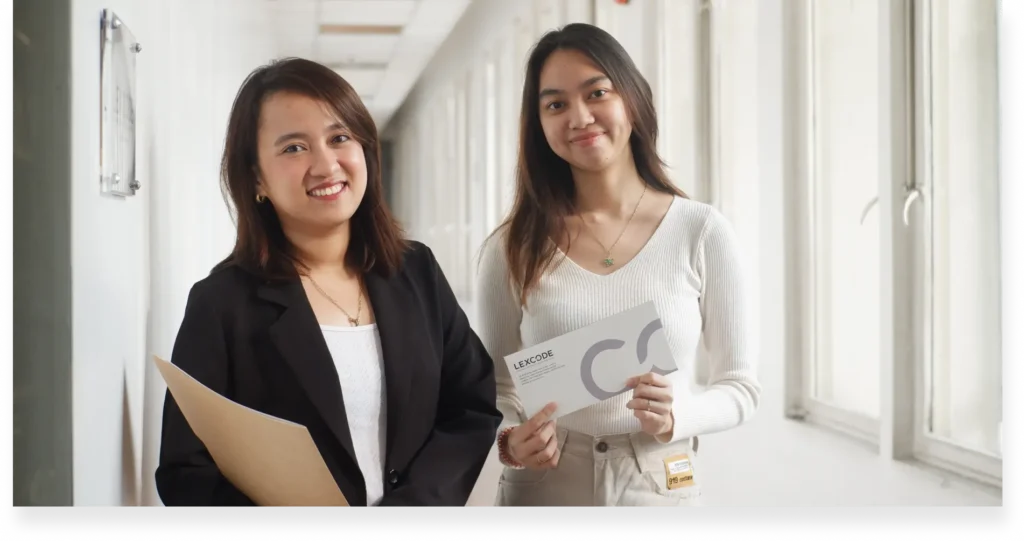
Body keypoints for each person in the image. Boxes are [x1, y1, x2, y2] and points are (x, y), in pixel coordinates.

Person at [155, 57, 502, 507]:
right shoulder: (222, 303)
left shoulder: (417, 272)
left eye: (339, 138)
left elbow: (471, 407)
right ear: (257, 177)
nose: (325, 164)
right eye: (293, 148)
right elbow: (185, 471)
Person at [477, 23, 761, 507]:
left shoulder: (701, 231)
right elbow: (497, 387)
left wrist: (680, 414)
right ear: (539, 125)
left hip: (657, 473)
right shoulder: (512, 246)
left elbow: (740, 387)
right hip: (548, 479)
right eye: (555, 104)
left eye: (597, 92)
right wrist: (511, 438)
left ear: (631, 98)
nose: (580, 116)